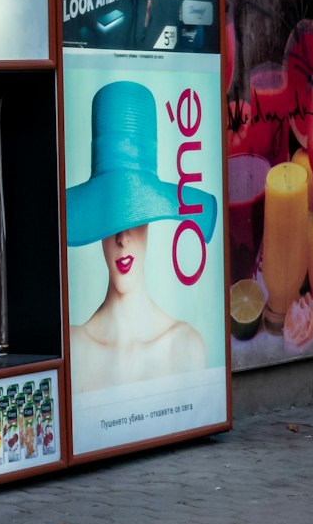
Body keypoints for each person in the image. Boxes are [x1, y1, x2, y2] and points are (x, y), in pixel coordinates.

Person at [65, 80, 217, 394]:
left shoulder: (186, 346)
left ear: (152, 220)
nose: (123, 237)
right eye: (111, 216)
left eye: (136, 216)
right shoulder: (75, 347)